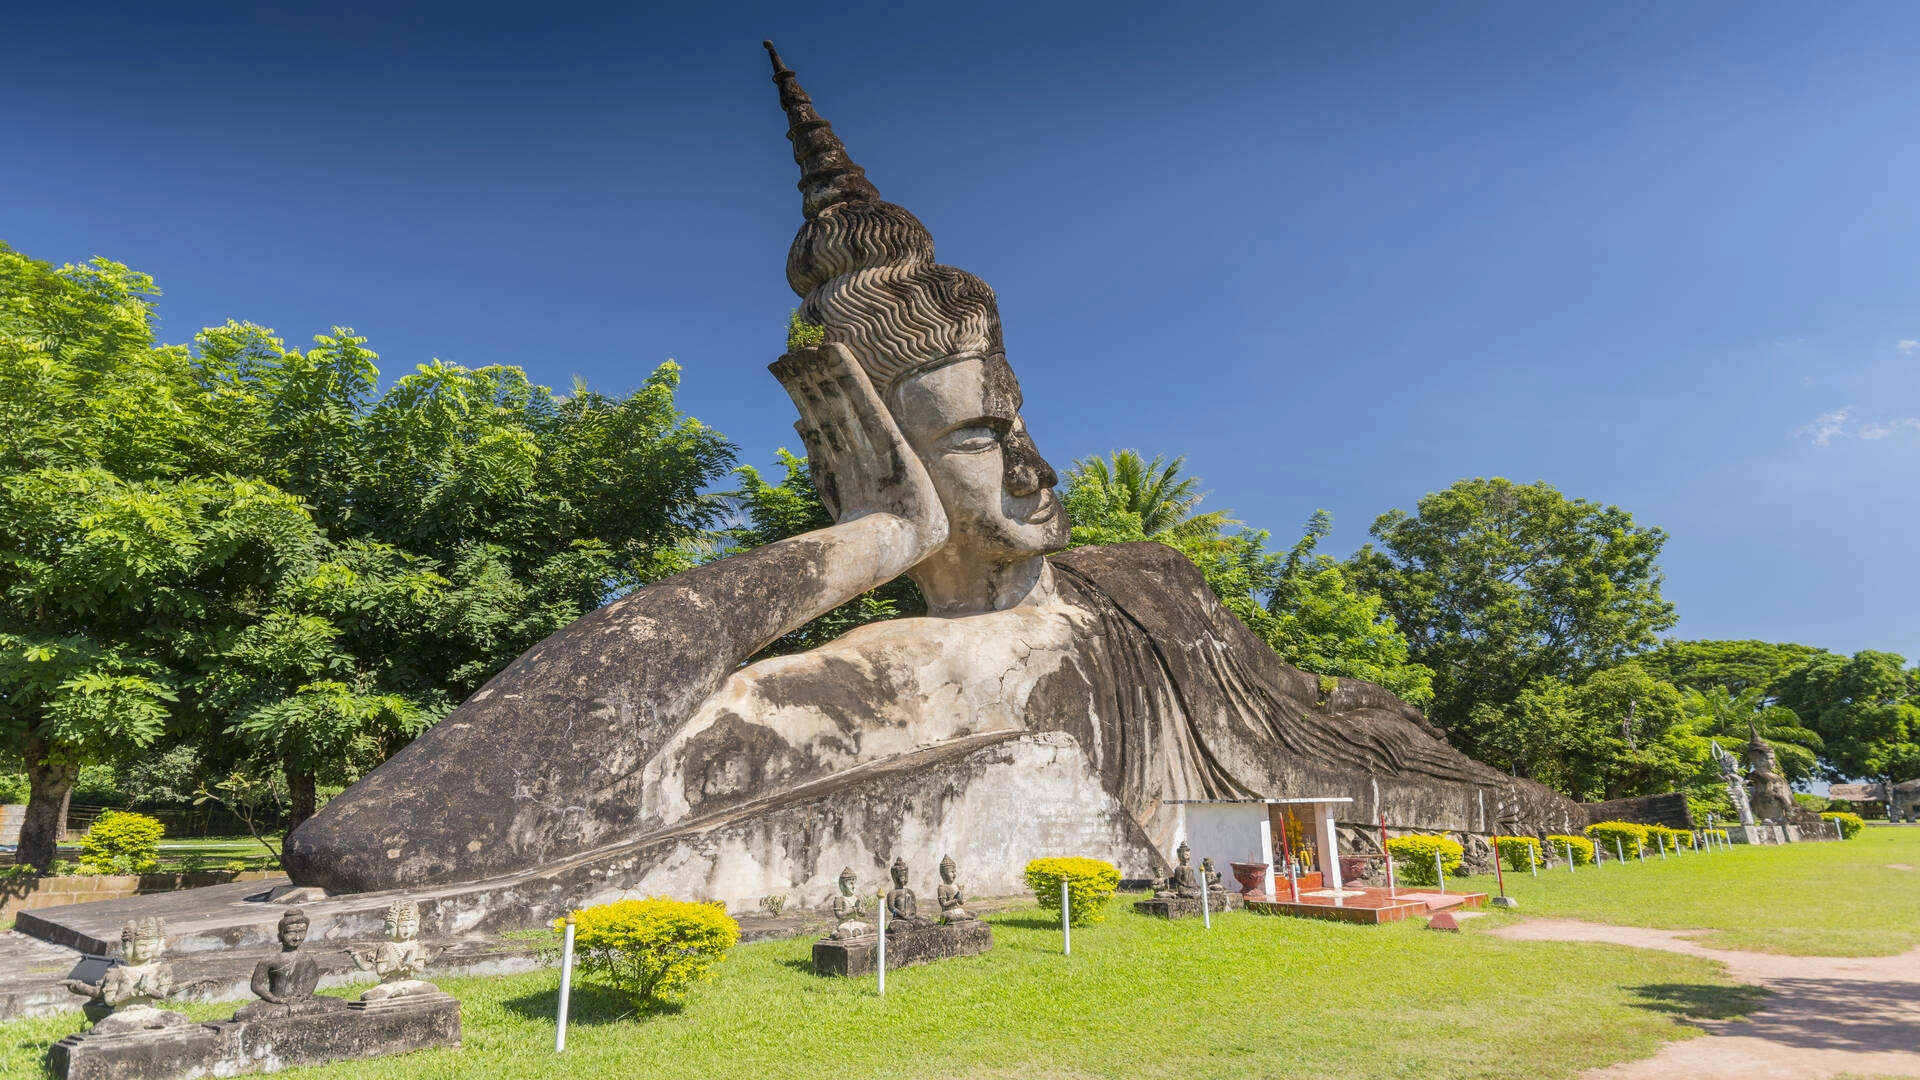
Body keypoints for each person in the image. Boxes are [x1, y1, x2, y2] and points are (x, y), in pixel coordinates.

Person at [283, 42, 1582, 898]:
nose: (1026, 459)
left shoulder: (1147, 579)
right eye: (970, 440)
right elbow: (389, 840)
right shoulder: (874, 683)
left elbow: (1318, 728)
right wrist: (868, 535)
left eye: (1011, 416)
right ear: (882, 451)